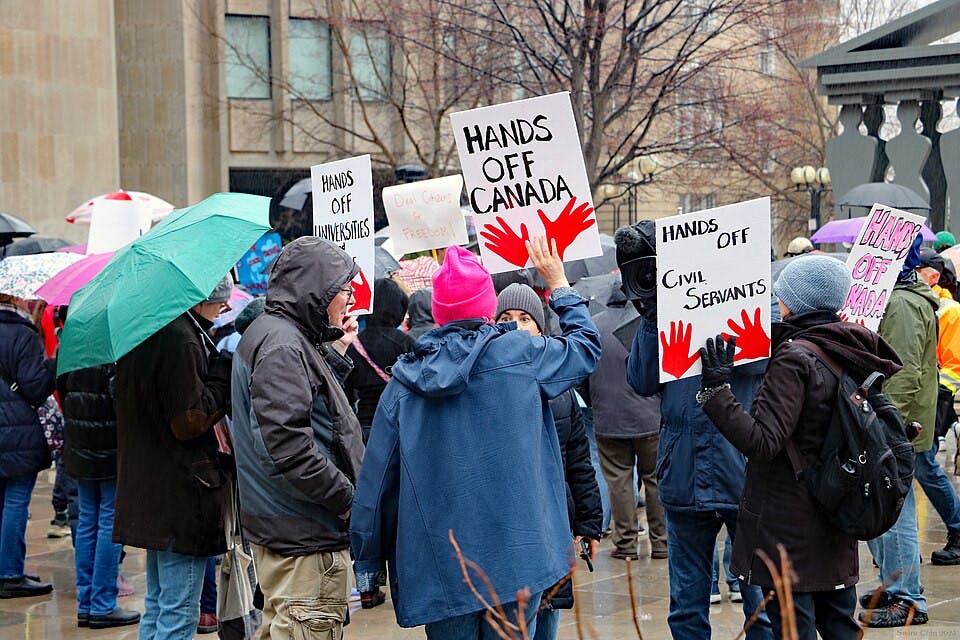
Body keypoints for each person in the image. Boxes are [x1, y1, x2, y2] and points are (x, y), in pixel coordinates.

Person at [351, 240, 601, 638]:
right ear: (489, 309)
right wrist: (558, 283)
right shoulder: (523, 355)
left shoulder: (404, 383)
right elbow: (586, 346)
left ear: (437, 314)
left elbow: (377, 482)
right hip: (520, 557)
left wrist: (367, 562)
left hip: (441, 565)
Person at [696, 254, 902, 639]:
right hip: (836, 511)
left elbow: (762, 441)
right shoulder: (850, 346)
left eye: (782, 294)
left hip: (790, 523)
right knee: (840, 622)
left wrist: (715, 392)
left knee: (795, 629)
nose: (778, 301)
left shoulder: (795, 357)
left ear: (796, 300)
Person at [619, 221, 772, 640]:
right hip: (685, 475)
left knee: (761, 604)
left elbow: (765, 362)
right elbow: (640, 379)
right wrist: (652, 316)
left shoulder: (758, 303)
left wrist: (727, 362)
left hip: (743, 474)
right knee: (686, 605)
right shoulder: (664, 313)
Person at [231, 237, 365, 640]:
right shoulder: (283, 344)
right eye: (344, 290)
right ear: (318, 289)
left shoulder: (279, 335)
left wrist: (335, 353)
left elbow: (312, 413)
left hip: (292, 531)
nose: (350, 298)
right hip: (305, 537)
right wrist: (346, 500)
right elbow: (289, 447)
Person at [113, 275, 234, 640]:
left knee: (159, 603)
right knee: (179, 611)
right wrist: (220, 380)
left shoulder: (146, 330)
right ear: (199, 300)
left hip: (153, 490)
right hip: (179, 495)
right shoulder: (181, 339)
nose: (222, 310)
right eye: (218, 302)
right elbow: (188, 422)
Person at [495, 282, 602, 640]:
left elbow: (579, 464)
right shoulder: (490, 385)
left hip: (555, 524)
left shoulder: (561, 392)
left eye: (525, 318)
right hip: (512, 532)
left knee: (548, 619)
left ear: (541, 328)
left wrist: (588, 522)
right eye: (506, 317)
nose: (515, 325)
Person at [861, 235, 937, 627]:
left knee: (898, 511)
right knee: (886, 507)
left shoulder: (904, 303)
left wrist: (891, 429)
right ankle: (893, 584)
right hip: (894, 422)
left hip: (895, 426)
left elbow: (904, 375)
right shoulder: (901, 298)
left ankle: (907, 599)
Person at [59, 361, 140, 628]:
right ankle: (103, 603)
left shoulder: (73, 347)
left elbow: (61, 388)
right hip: (110, 450)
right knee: (109, 523)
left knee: (87, 522)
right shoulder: (115, 355)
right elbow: (124, 402)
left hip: (80, 447)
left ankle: (87, 602)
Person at [590, 303, 666, 560]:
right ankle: (662, 542)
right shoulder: (650, 321)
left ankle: (626, 544)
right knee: (655, 481)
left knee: (619, 482)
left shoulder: (594, 324)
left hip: (609, 419)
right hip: (650, 417)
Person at [0, 293, 57, 599]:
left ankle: (6, 568)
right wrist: (52, 367)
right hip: (18, 435)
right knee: (15, 504)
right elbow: (35, 386)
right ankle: (9, 573)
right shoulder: (23, 334)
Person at [914, 247, 960, 566]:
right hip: (926, 398)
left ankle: (958, 528)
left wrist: (937, 396)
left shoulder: (948, 310)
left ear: (931, 275)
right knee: (921, 466)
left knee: (925, 466)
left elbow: (954, 366)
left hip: (933, 400)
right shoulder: (928, 304)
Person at [346, 278, 415, 444]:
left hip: (366, 425)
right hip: (401, 421)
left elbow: (347, 393)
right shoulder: (405, 342)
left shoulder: (353, 344)